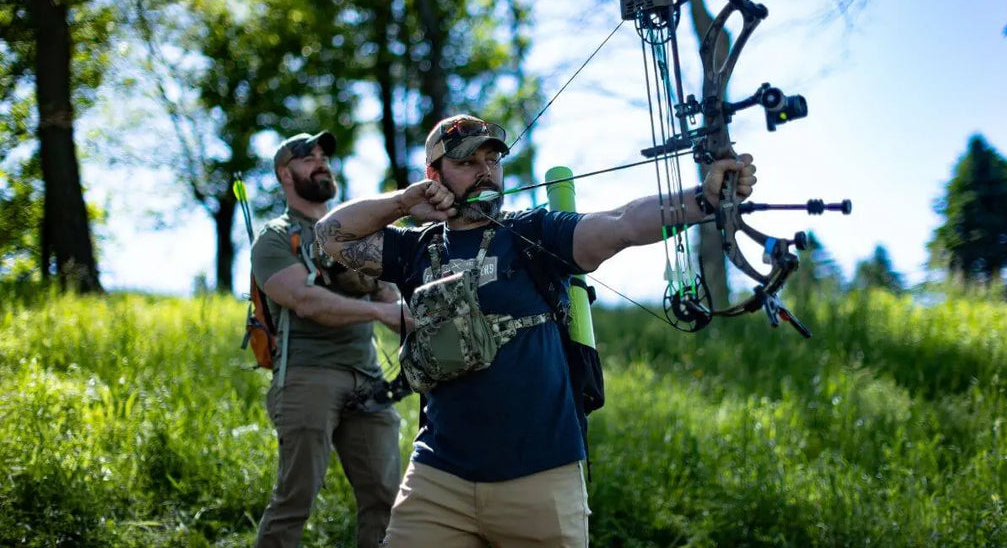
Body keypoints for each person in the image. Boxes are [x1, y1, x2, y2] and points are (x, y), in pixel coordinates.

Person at [314, 115, 756, 547]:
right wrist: (403, 204)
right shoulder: (416, 248)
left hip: (540, 478)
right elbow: (330, 234)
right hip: (438, 477)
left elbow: (622, 222)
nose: (486, 172)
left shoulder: (534, 234)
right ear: (435, 174)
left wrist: (702, 199)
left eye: (493, 160)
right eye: (468, 163)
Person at [251, 130, 407, 548]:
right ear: (285, 174)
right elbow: (305, 301)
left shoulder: (350, 233)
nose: (321, 162)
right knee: (294, 500)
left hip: (368, 378)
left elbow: (388, 291)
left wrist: (385, 293)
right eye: (307, 157)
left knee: (386, 500)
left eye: (324, 155)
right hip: (307, 375)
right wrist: (380, 311)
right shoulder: (274, 238)